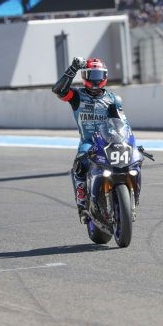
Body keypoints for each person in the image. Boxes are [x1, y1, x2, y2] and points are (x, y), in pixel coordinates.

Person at [52, 57, 131, 223]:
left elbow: (123, 123)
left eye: (98, 75)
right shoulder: (76, 96)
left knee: (132, 163)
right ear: (84, 76)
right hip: (88, 142)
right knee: (79, 167)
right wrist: (72, 68)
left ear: (105, 76)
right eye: (91, 74)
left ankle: (131, 202)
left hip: (110, 140)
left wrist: (130, 141)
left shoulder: (113, 99)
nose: (95, 79)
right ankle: (82, 205)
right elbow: (58, 90)